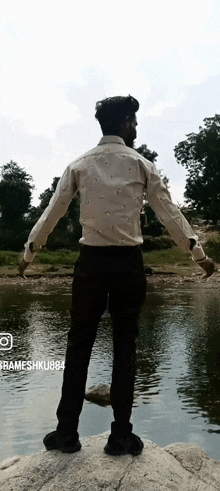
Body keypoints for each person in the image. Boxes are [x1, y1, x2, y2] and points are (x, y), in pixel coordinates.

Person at [19, 95, 215, 456]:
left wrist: (29, 253)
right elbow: (170, 214)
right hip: (128, 265)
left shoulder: (79, 165)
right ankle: (121, 436)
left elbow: (53, 211)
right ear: (125, 122)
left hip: (90, 264)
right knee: (126, 346)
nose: (136, 129)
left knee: (78, 346)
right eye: (135, 122)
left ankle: (66, 433)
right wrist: (198, 256)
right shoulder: (141, 165)